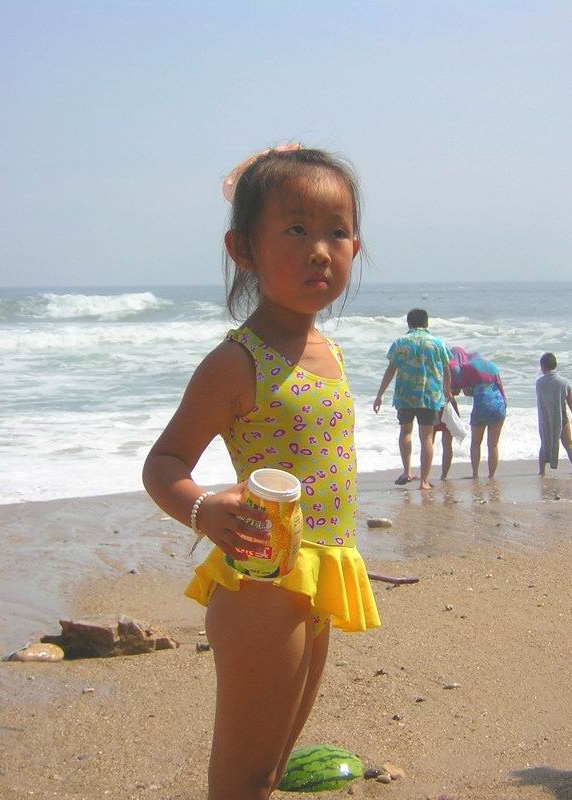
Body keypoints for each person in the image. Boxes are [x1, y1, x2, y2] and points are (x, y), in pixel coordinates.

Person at [142, 145, 380, 800]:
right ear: (243, 249)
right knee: (241, 781)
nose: (320, 251)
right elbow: (163, 463)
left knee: (270, 773)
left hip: (322, 573)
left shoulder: (327, 350)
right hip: (262, 589)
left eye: (338, 231)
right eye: (296, 229)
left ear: (356, 248)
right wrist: (203, 508)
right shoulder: (238, 362)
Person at [373, 308, 451, 490]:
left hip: (405, 396)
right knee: (427, 437)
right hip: (429, 396)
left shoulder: (400, 342)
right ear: (426, 323)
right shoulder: (437, 343)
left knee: (405, 432)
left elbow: (391, 370)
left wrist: (380, 395)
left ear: (408, 323)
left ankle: (407, 471)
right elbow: (446, 370)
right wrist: (447, 391)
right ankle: (424, 481)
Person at [450, 347, 506, 479]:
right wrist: (505, 405)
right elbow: (501, 388)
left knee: (476, 443)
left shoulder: (468, 367)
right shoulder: (492, 366)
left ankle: (475, 474)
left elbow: (465, 391)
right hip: (499, 406)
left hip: (481, 407)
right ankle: (491, 475)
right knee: (493, 445)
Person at [536, 352, 572, 476]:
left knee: (544, 445)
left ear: (543, 366)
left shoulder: (539, 383)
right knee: (568, 444)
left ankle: (542, 472)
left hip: (546, 419)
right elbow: (570, 401)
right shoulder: (564, 382)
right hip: (561, 418)